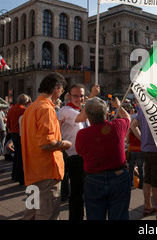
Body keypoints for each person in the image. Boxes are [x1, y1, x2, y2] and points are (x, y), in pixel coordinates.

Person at [20, 72, 72, 220]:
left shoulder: (31, 108)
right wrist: (64, 144)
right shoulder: (47, 109)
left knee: (31, 212)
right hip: (46, 172)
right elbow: (46, 143)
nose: (61, 95)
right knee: (47, 214)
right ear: (56, 88)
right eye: (61, 91)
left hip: (32, 171)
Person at [75, 97, 130, 220]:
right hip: (118, 177)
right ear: (106, 113)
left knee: (95, 216)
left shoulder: (82, 134)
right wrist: (118, 106)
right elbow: (128, 118)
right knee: (120, 216)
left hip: (94, 179)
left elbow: (80, 152)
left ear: (88, 116)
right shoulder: (118, 126)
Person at [57, 83, 100, 220]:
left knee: (88, 192)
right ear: (69, 96)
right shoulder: (65, 110)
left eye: (82, 96)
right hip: (75, 156)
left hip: (87, 156)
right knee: (77, 192)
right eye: (75, 96)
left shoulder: (80, 108)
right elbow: (81, 117)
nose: (79, 98)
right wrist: (92, 97)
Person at [6, 94, 31, 185]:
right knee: (21, 156)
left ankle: (15, 175)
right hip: (20, 134)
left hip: (13, 133)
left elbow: (8, 122)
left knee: (17, 155)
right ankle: (20, 177)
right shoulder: (23, 110)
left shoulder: (11, 109)